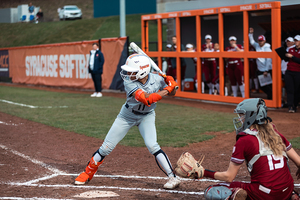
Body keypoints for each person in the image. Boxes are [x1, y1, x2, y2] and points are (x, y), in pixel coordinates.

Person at [75, 54, 181, 189]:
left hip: (147, 116)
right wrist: (167, 89)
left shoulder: (157, 79)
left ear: (142, 71)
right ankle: (87, 173)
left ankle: (173, 178)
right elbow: (147, 99)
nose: (128, 73)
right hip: (127, 116)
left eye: (132, 71)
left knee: (153, 145)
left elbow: (173, 93)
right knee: (106, 147)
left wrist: (171, 84)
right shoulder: (129, 82)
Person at [201, 98, 300, 200]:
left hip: (264, 194)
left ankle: (235, 195)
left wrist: (203, 172)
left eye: (242, 116)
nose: (240, 119)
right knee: (281, 156)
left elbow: (229, 176)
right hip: (286, 191)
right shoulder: (276, 134)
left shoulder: (244, 140)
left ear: (251, 116)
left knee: (213, 190)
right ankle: (292, 194)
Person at [249, 27, 272, 100]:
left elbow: (269, 60)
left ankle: (271, 97)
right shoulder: (257, 46)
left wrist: (267, 70)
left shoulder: (267, 48)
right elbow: (252, 42)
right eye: (259, 41)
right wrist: (251, 33)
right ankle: (270, 96)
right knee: (261, 85)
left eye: (261, 41)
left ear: (264, 40)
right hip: (260, 69)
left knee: (268, 85)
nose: (260, 42)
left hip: (266, 70)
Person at [284, 35, 300, 113]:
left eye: (297, 40)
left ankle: (295, 105)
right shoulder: (290, 49)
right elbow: (287, 59)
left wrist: (292, 57)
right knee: (290, 89)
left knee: (297, 90)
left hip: (298, 72)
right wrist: (285, 55)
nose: (296, 42)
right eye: (295, 40)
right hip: (289, 71)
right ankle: (290, 106)